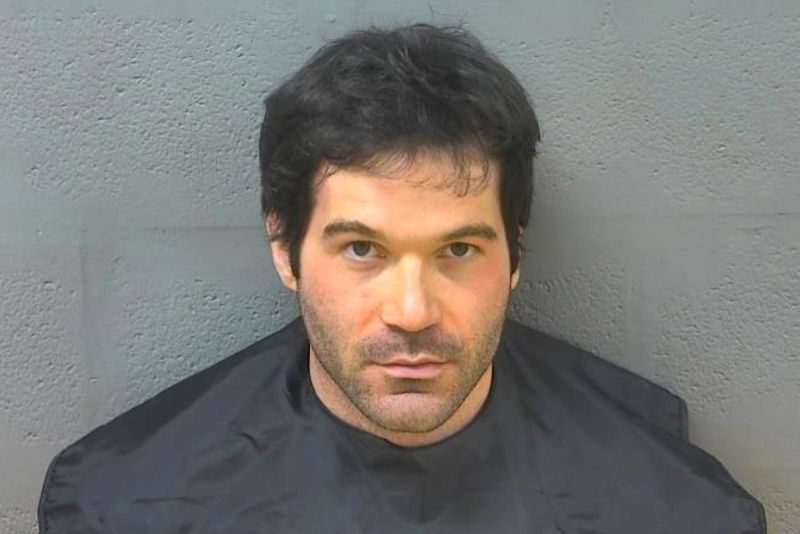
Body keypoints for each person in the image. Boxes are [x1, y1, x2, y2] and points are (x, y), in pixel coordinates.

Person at [38, 23, 765, 533]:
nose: (412, 313)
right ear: (285, 250)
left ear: (515, 256)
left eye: (458, 251)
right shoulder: (125, 505)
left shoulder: (670, 507)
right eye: (362, 249)